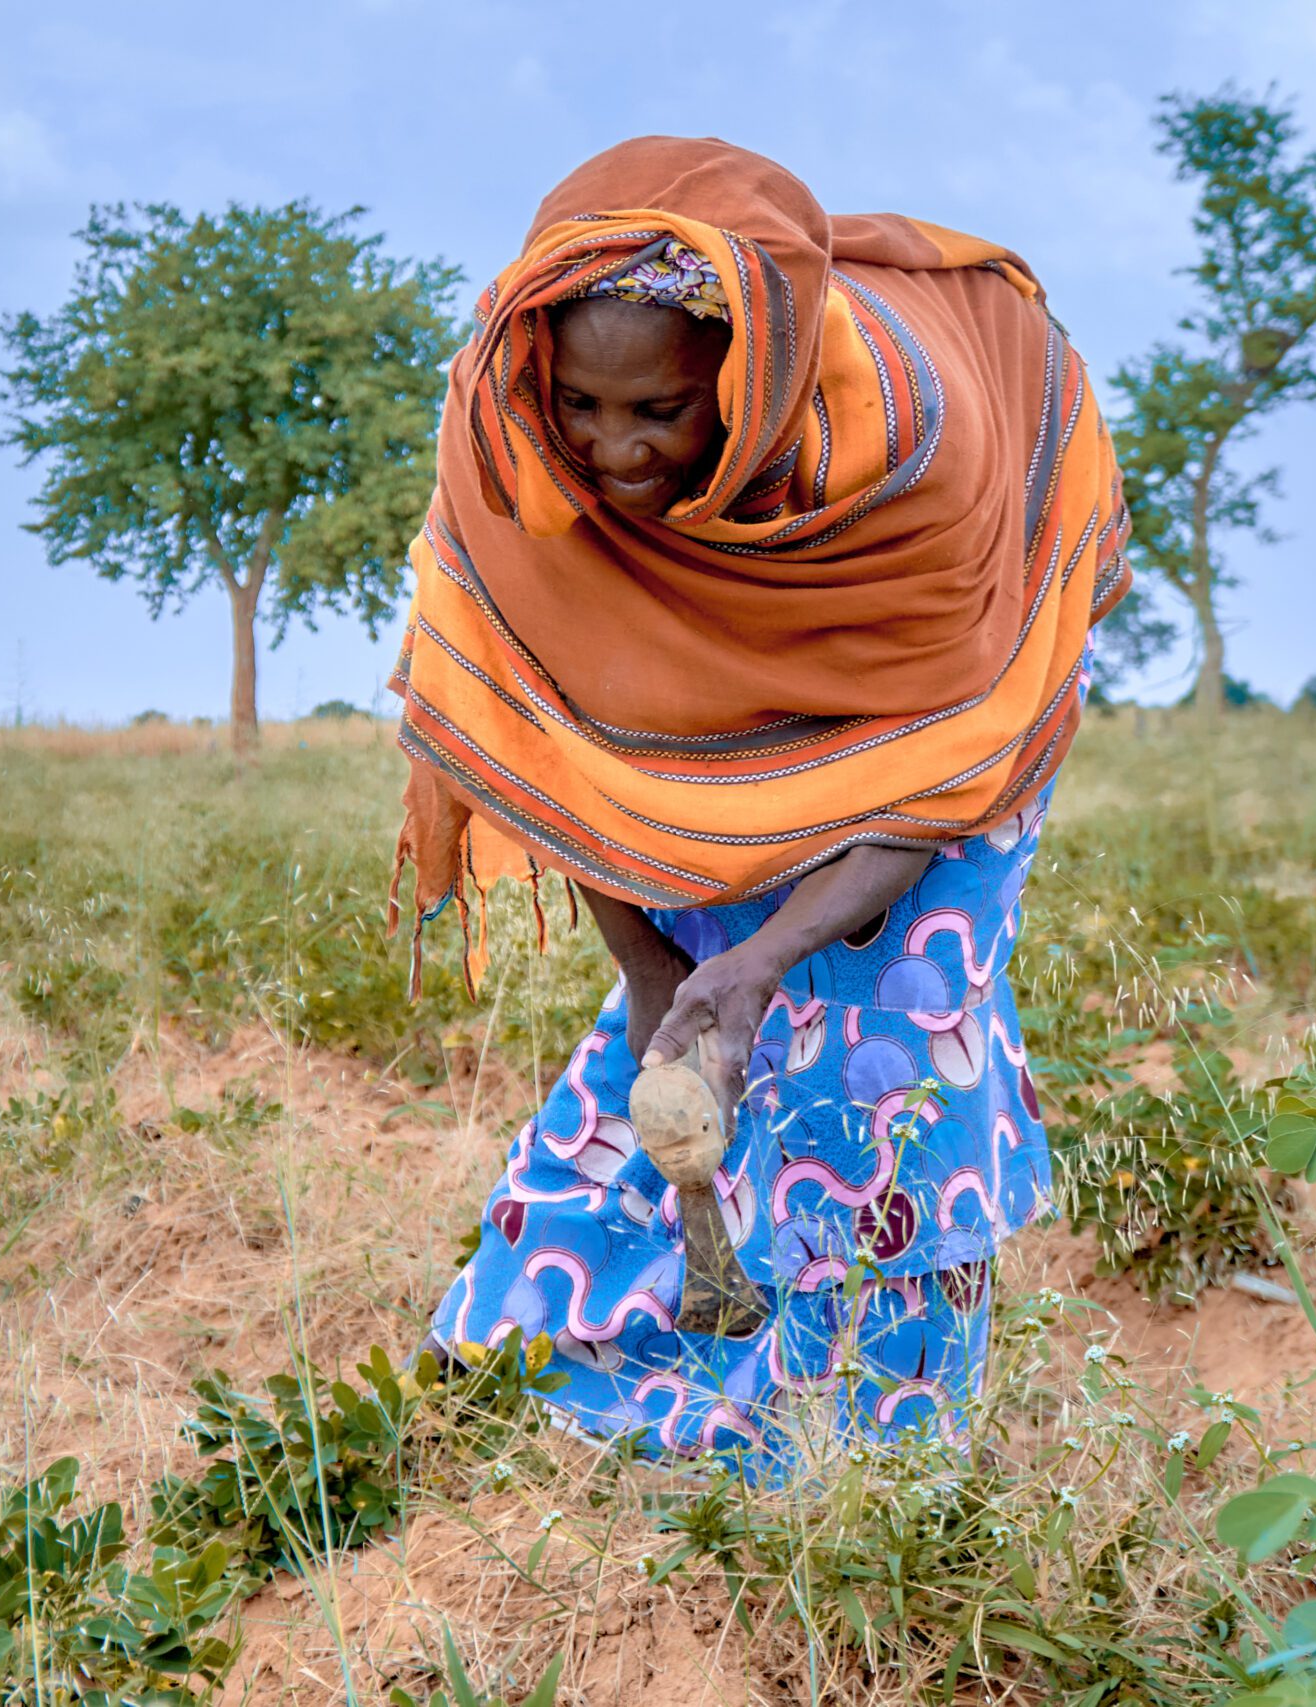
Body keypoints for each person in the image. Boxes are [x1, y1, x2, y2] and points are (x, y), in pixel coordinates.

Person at [390, 136, 1131, 1478]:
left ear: (747, 385)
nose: (612, 449)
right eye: (584, 407)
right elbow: (552, 743)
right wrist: (650, 956)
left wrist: (766, 954)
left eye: (659, 415)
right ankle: (559, 1348)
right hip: (698, 755)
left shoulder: (911, 461)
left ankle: (870, 1445)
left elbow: (943, 772)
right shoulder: (510, 445)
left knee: (881, 1036)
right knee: (681, 1027)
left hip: (947, 722)